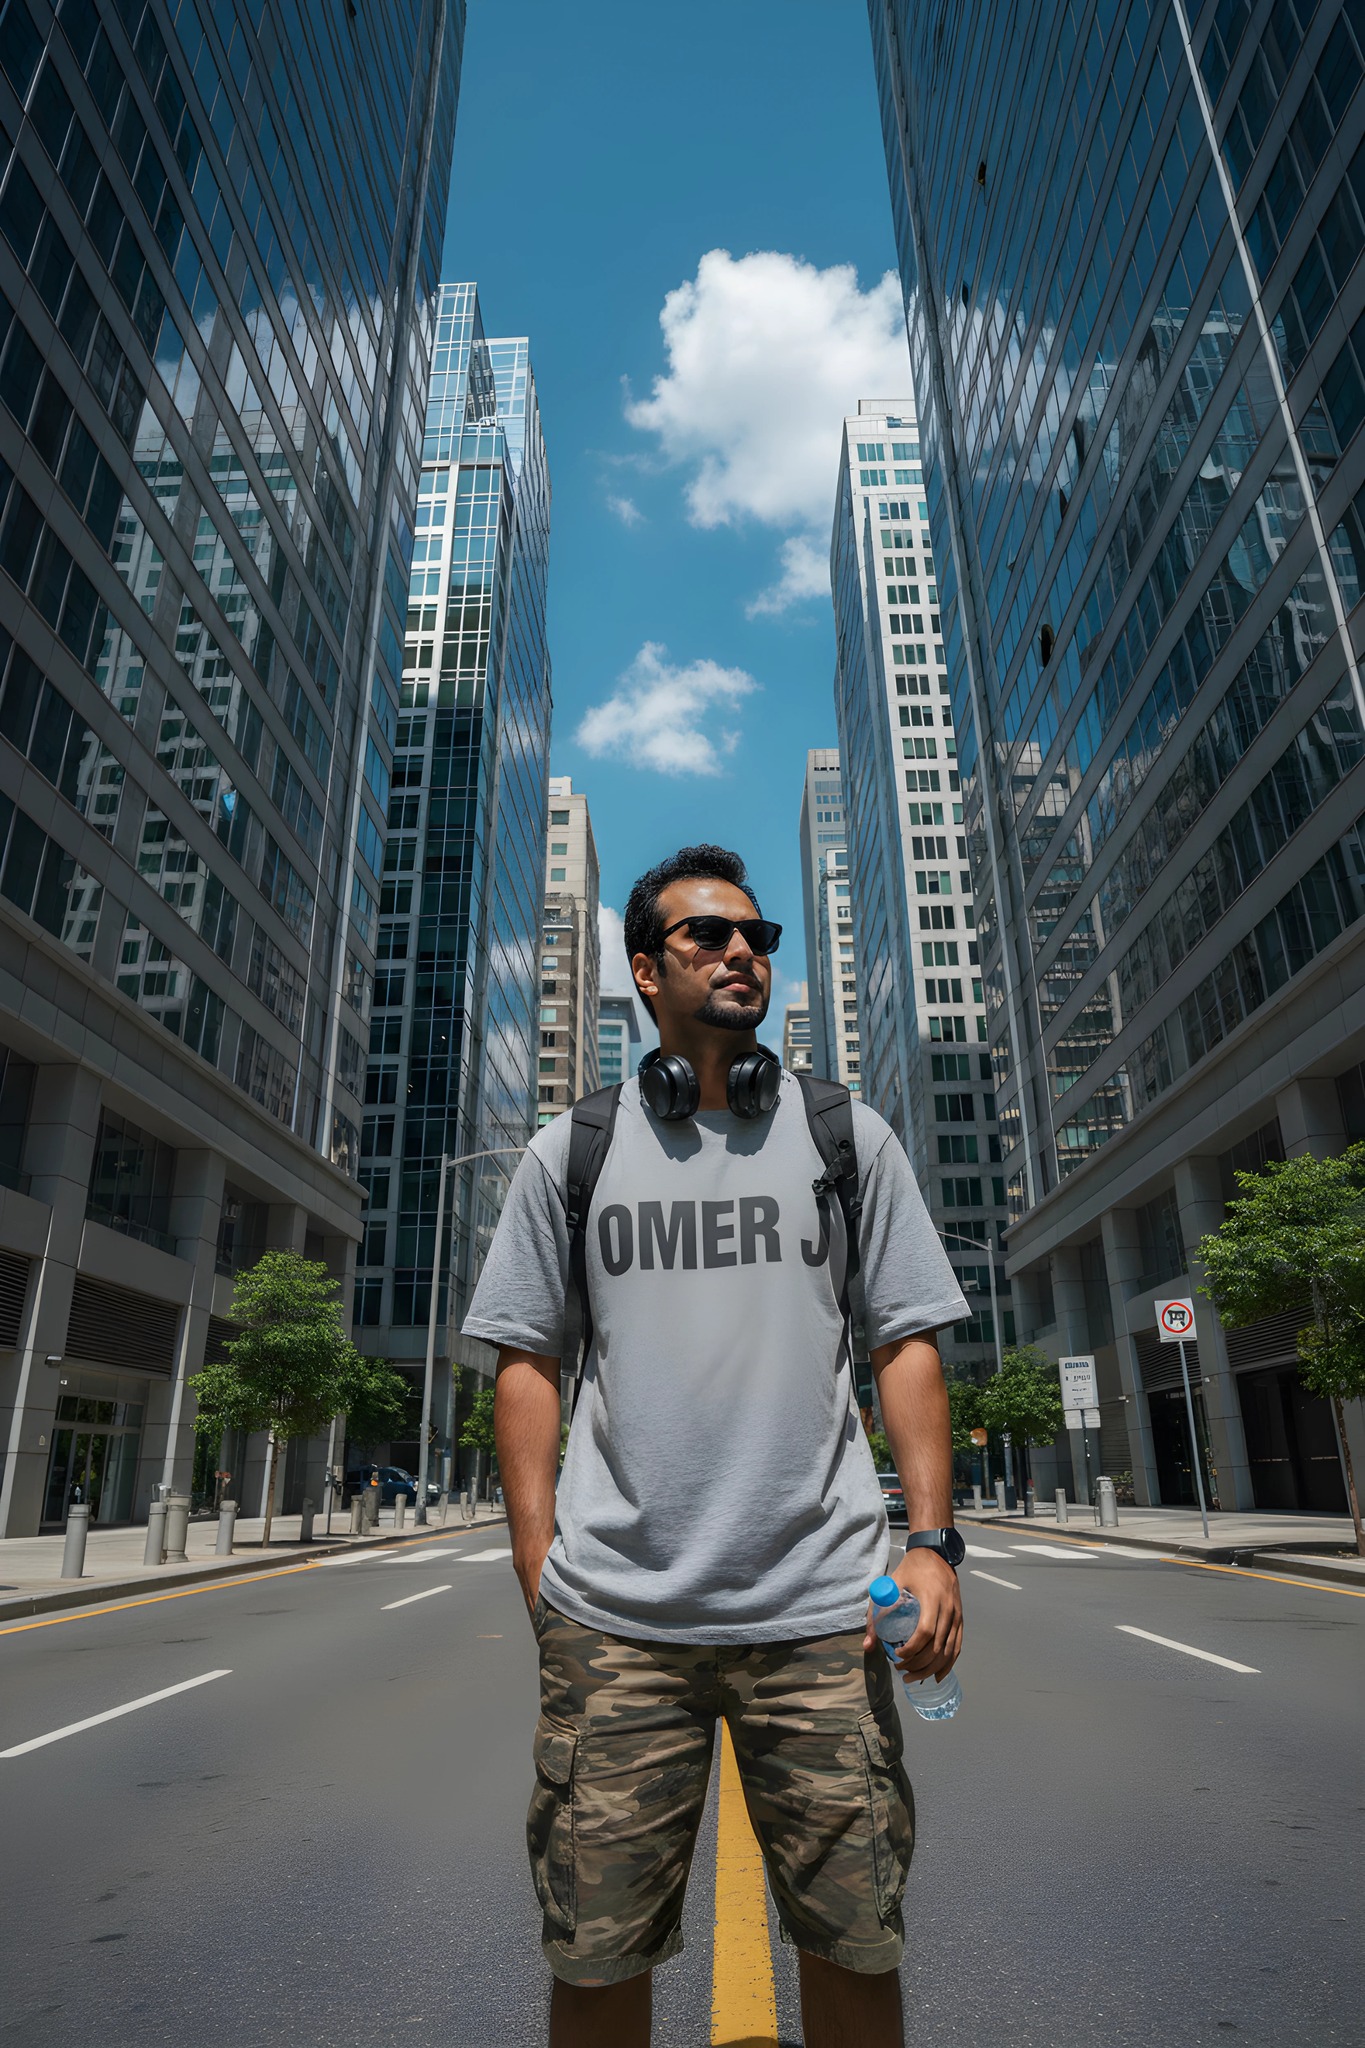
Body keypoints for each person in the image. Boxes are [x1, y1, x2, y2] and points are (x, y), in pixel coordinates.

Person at [464, 844, 970, 2048]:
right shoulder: (570, 1150)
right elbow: (528, 1360)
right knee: (596, 1954)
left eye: (758, 935)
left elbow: (906, 1340)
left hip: (822, 1614)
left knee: (856, 1939)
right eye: (708, 935)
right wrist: (538, 1561)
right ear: (644, 969)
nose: (744, 950)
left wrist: (934, 1540)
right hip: (622, 1624)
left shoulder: (846, 1135)